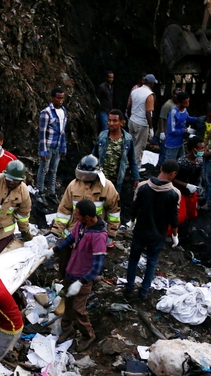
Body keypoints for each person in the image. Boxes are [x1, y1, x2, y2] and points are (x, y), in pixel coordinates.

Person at [52, 199, 107, 350]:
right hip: (71, 271)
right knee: (68, 303)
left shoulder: (99, 236)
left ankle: (88, 335)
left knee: (78, 309)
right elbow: (71, 238)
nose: (76, 217)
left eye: (78, 215)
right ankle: (66, 329)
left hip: (82, 278)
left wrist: (82, 282)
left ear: (88, 217)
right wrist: (54, 250)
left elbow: (97, 267)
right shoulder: (81, 225)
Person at [51, 155, 119, 274]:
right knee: (65, 263)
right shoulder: (73, 186)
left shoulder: (107, 188)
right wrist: (56, 231)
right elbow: (64, 210)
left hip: (92, 236)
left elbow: (114, 212)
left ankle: (83, 286)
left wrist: (111, 234)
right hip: (72, 233)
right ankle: (63, 283)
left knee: (84, 266)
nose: (85, 178)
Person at [124, 159, 181, 301]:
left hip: (140, 231)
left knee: (133, 259)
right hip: (158, 234)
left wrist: (131, 220)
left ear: (161, 168)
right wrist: (175, 234)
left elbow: (134, 206)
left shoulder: (143, 186)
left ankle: (129, 288)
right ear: (173, 174)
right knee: (152, 262)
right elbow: (173, 216)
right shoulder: (174, 194)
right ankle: (143, 293)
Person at [92, 109, 140, 195]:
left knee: (113, 204)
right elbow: (93, 156)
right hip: (100, 179)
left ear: (121, 122)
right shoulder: (102, 136)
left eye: (114, 121)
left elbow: (132, 160)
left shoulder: (127, 140)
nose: (111, 123)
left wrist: (136, 178)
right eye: (109, 120)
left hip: (117, 182)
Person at [37, 87, 68, 204]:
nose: (60, 100)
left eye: (62, 98)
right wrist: (43, 150)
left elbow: (63, 131)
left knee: (53, 170)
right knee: (44, 169)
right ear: (53, 98)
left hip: (57, 146)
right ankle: (40, 191)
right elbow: (42, 133)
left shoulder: (64, 111)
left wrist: (63, 147)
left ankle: (52, 192)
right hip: (48, 145)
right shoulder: (46, 113)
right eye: (58, 98)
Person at [172, 136, 204, 230]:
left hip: (192, 192)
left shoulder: (200, 160)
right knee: (179, 217)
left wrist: (199, 186)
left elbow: (199, 175)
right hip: (180, 192)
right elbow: (172, 178)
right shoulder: (181, 162)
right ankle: (169, 234)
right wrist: (186, 185)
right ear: (194, 150)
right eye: (201, 148)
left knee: (192, 214)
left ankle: (186, 229)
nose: (203, 150)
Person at [126, 74, 157, 165]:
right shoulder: (149, 95)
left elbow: (129, 106)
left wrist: (129, 117)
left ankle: (128, 163)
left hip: (132, 120)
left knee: (131, 144)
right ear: (151, 84)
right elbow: (148, 113)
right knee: (139, 146)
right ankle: (136, 167)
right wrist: (151, 128)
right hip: (141, 123)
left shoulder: (135, 91)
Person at [161, 91, 198, 166]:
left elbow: (187, 118)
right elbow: (172, 130)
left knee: (182, 160)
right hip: (172, 142)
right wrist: (186, 130)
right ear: (180, 102)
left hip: (180, 141)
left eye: (188, 102)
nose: (188, 104)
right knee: (170, 162)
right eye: (186, 103)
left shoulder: (184, 110)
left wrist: (197, 119)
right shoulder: (174, 112)